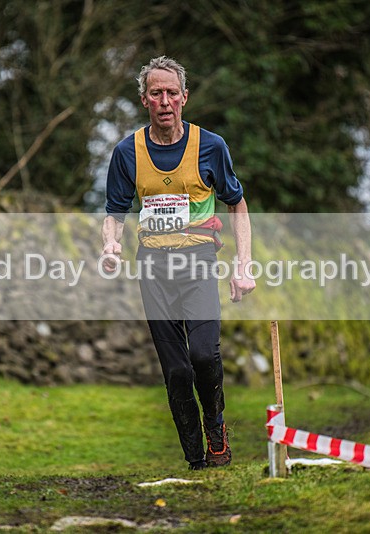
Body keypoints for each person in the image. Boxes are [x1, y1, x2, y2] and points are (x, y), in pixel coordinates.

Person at [101, 56, 256, 470]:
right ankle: (196, 460)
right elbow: (115, 212)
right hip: (153, 269)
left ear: (184, 98)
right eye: (156, 93)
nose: (165, 100)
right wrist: (110, 246)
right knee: (176, 370)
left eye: (172, 93)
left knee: (204, 355)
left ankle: (217, 428)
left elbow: (237, 203)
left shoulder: (211, 146)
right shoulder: (126, 152)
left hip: (199, 264)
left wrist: (244, 265)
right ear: (144, 99)